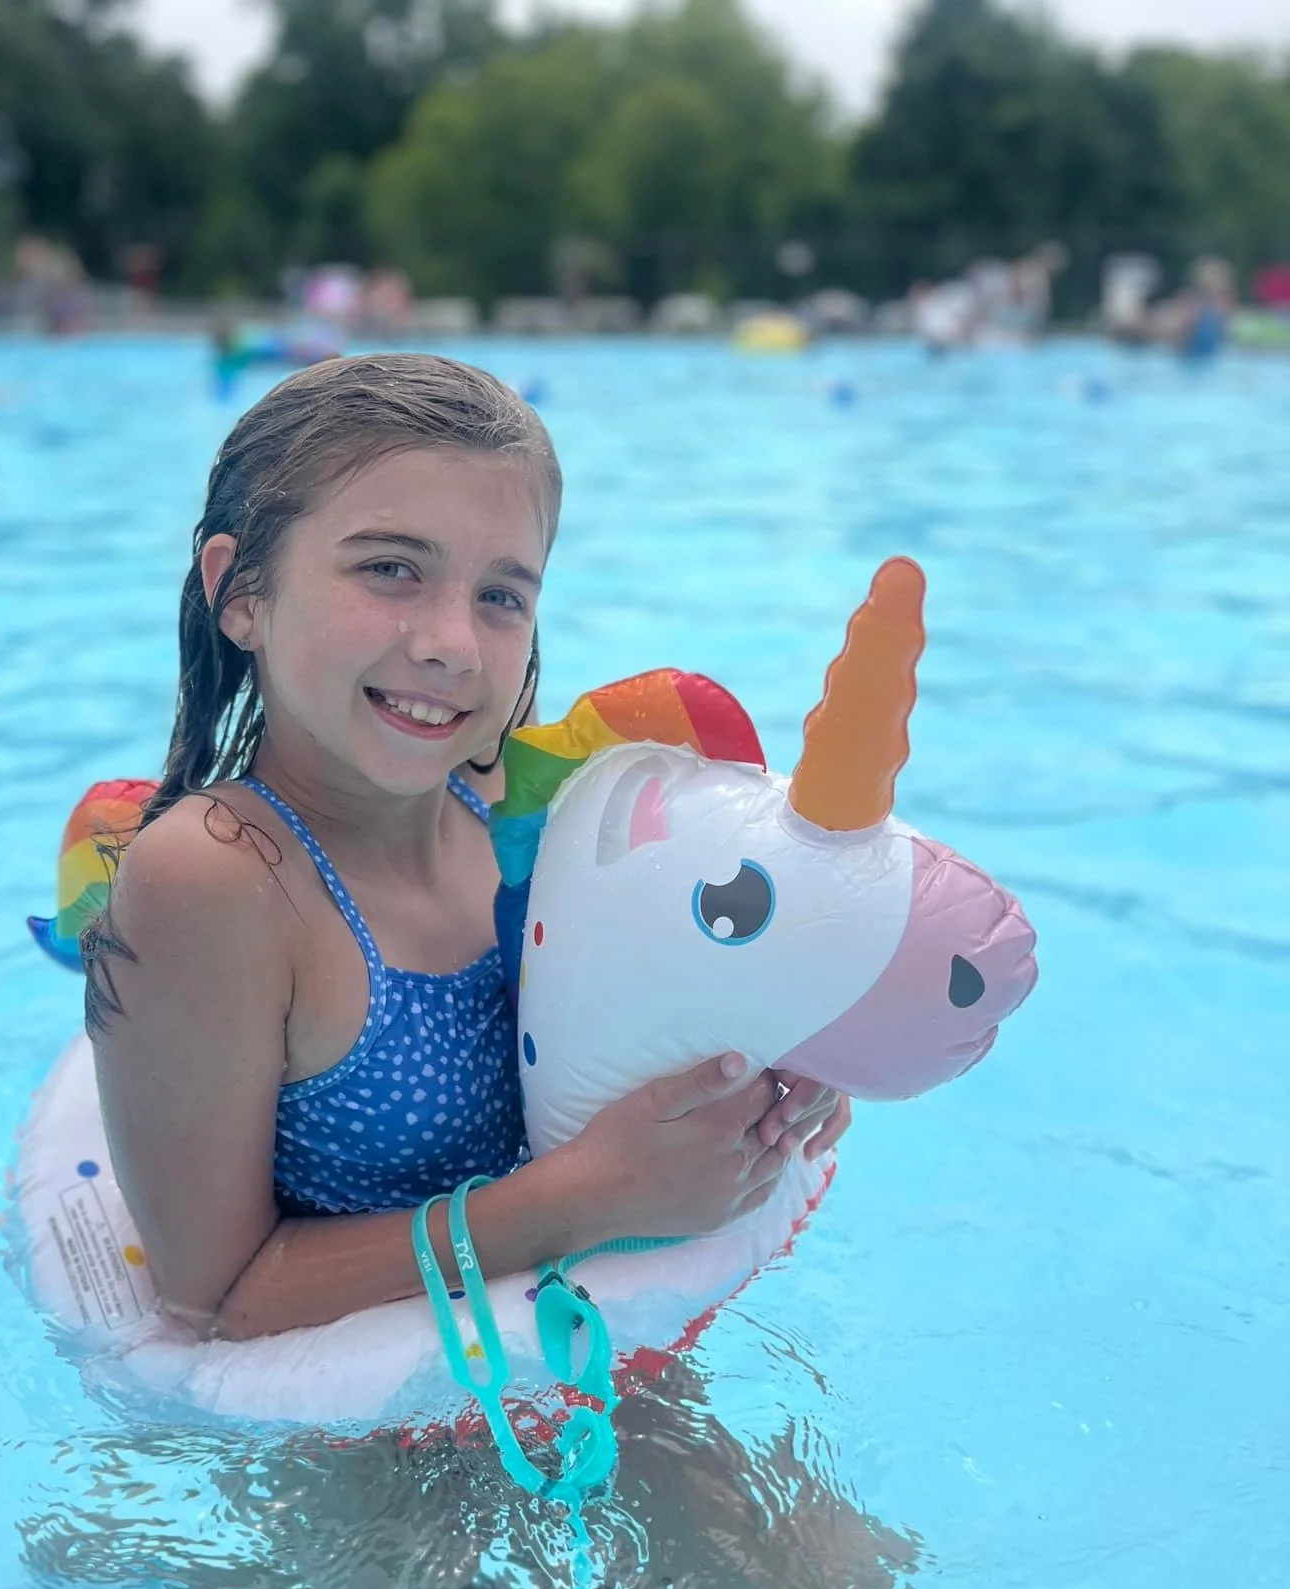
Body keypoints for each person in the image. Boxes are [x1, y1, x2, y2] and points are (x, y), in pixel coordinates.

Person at [86, 355, 851, 1343]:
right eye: (391, 568)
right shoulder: (223, 881)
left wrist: (771, 1083)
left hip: (612, 1355)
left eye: (502, 595)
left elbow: (660, 1012)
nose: (453, 642)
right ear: (240, 590)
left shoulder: (525, 815)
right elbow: (214, 1298)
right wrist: (584, 1195)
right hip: (363, 1455)